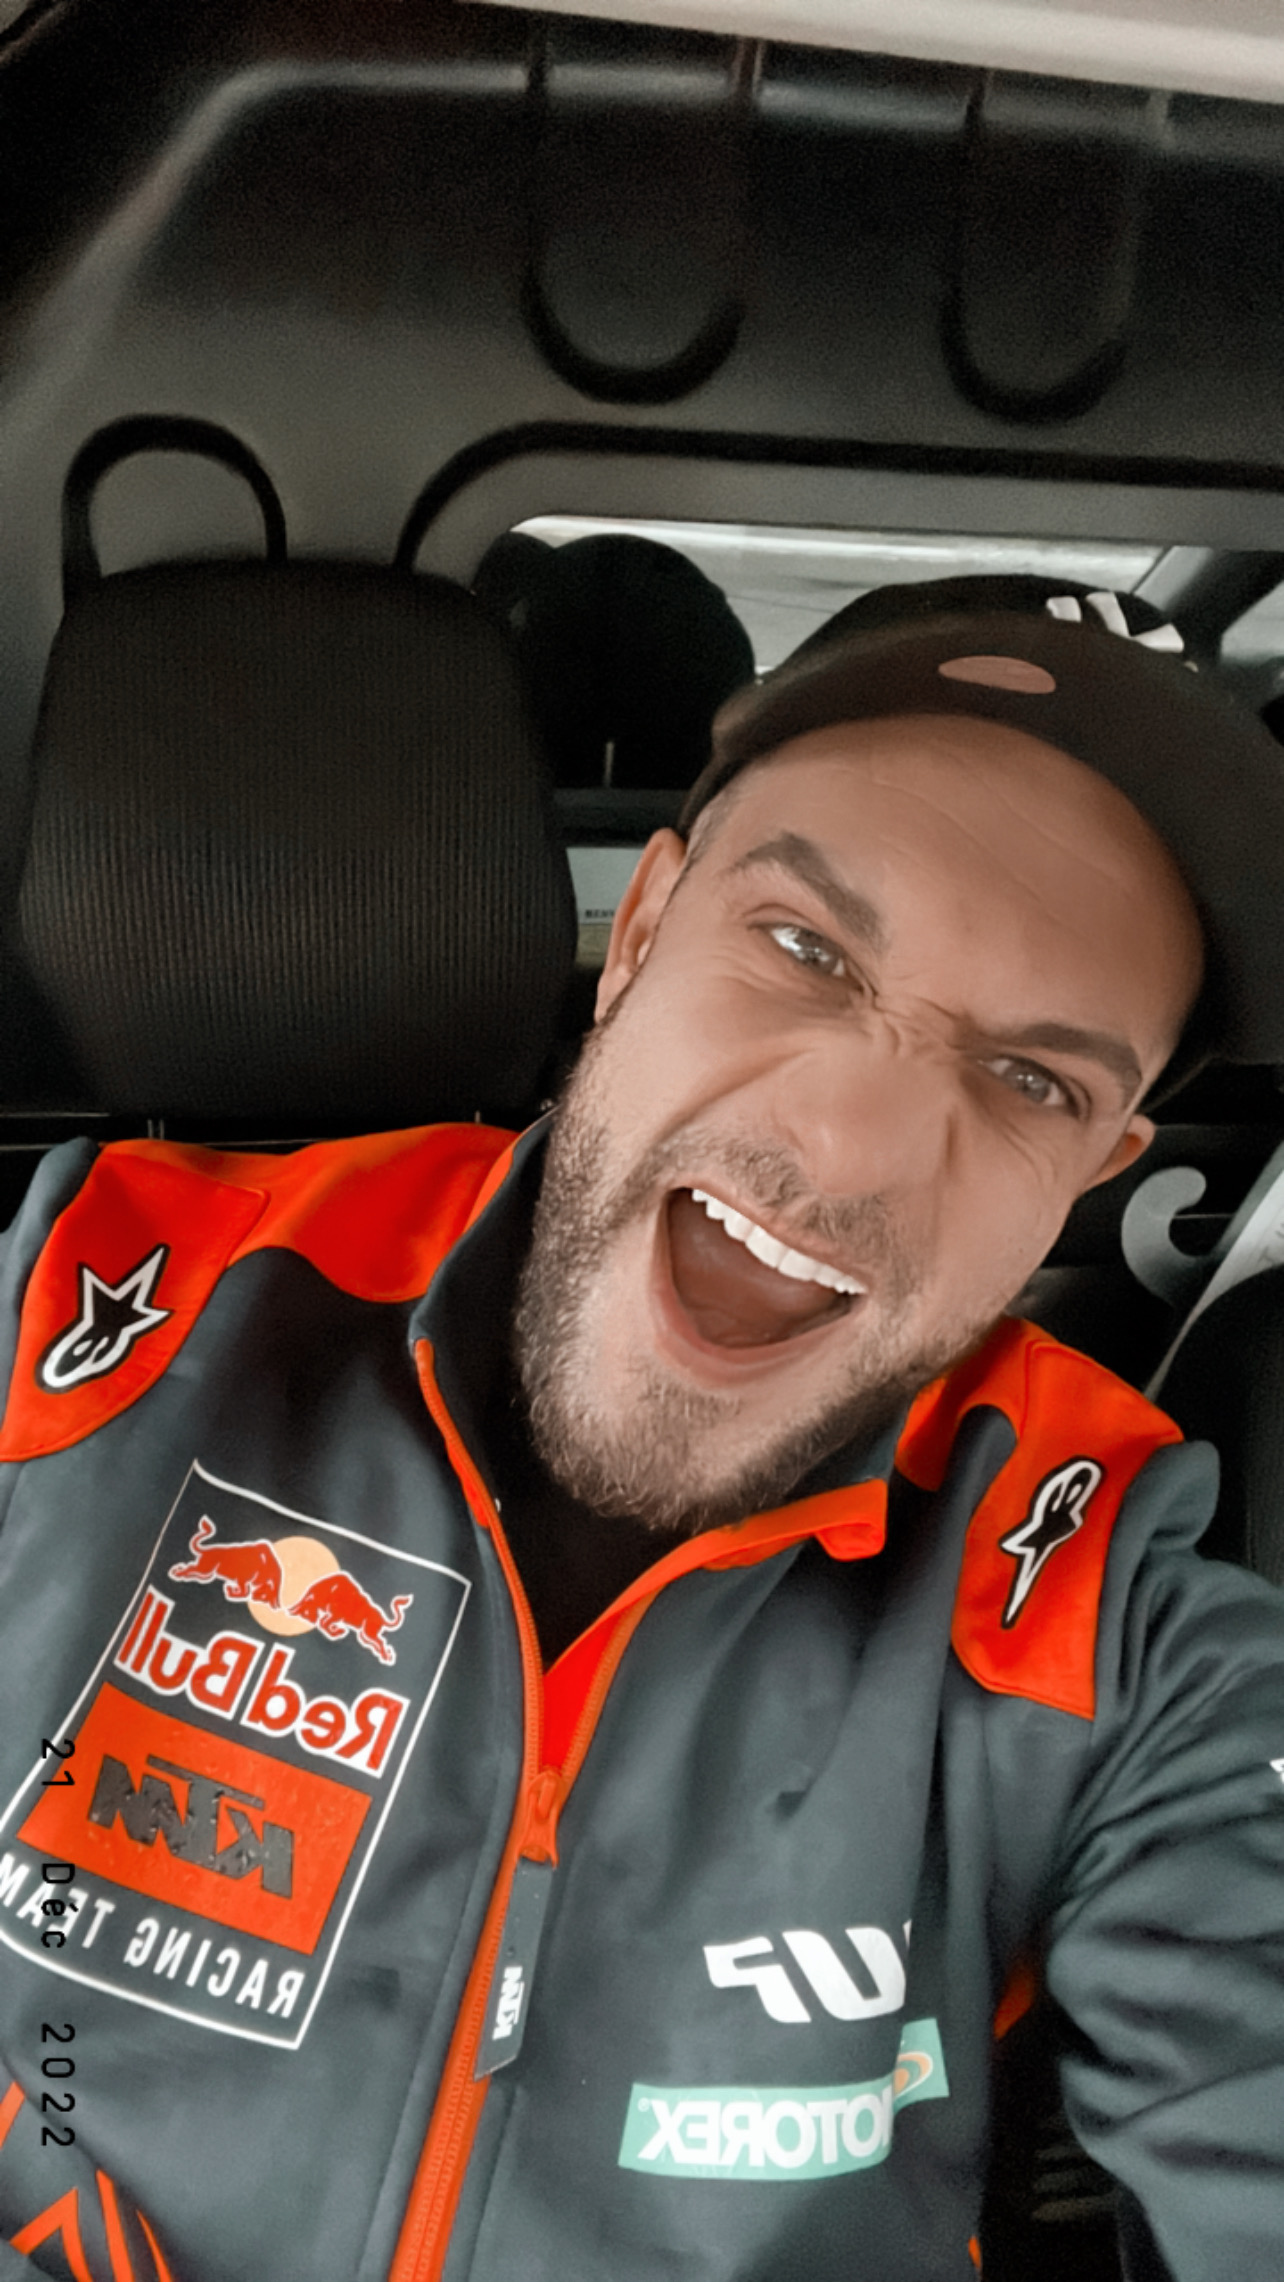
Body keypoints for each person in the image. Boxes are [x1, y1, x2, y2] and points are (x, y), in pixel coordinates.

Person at [1, 575, 1283, 2282]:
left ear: (1096, 1169)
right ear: (647, 928)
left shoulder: (1099, 1596)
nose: (851, 1147)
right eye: (806, 950)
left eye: (1033, 1081)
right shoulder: (86, 1307)